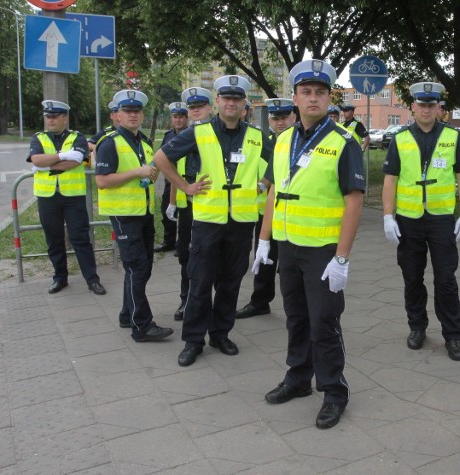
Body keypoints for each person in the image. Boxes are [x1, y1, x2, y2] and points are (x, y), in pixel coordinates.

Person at [254, 59, 364, 429]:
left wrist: (343, 257)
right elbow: (273, 193)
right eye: (306, 92)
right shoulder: (283, 140)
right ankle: (298, 377)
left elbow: (354, 199)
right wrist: (264, 240)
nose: (313, 99)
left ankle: (334, 391)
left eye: (320, 93)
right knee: (296, 318)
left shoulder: (343, 142)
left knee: (324, 322)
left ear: (328, 98)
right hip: (289, 246)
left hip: (323, 251)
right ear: (295, 98)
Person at [154, 75, 273, 367]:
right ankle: (193, 340)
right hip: (207, 220)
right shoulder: (199, 132)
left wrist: (264, 182)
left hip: (242, 221)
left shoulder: (257, 136)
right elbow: (160, 158)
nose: (231, 103)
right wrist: (185, 186)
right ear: (217, 102)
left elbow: (280, 163)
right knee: (200, 281)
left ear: (245, 104)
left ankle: (220, 334)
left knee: (231, 282)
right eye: (226, 98)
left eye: (237, 99)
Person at [382, 82, 460, 361]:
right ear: (413, 107)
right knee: (412, 277)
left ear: (439, 109)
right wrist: (388, 216)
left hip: (441, 219)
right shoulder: (400, 138)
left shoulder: (452, 136)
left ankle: (453, 335)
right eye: (422, 105)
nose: (426, 109)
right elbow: (390, 180)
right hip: (409, 220)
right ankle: (417, 327)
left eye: (432, 105)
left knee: (446, 279)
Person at [94, 89, 174, 342]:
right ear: (117, 115)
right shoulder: (110, 143)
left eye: (136, 111)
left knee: (141, 268)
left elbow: (150, 172)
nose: (132, 115)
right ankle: (142, 326)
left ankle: (127, 314)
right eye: (127, 111)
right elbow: (102, 181)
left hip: (143, 212)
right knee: (138, 268)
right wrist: (136, 173)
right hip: (123, 214)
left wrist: (150, 173)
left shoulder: (144, 142)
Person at [28, 100, 106, 296]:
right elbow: (36, 159)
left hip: (73, 197)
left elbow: (77, 160)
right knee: (54, 240)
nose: (51, 120)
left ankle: (92, 279)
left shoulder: (77, 137)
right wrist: (64, 155)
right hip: (47, 197)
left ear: (65, 118)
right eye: (48, 117)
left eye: (55, 117)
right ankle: (59, 278)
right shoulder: (38, 138)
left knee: (81, 239)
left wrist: (48, 165)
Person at [236, 98, 296, 319]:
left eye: (284, 118)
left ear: (293, 117)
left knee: (293, 265)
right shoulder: (263, 142)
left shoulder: (302, 142)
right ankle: (260, 301)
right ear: (269, 120)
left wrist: (264, 184)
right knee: (264, 260)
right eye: (275, 118)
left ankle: (299, 309)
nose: (280, 123)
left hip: (295, 214)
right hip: (265, 213)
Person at [171, 87, 215, 321]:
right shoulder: (177, 136)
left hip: (209, 202)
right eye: (191, 108)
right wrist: (174, 199)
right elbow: (168, 168)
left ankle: (208, 303)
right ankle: (186, 299)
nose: (195, 111)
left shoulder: (216, 133)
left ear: (210, 107)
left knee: (209, 256)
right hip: (187, 204)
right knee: (186, 255)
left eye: (200, 106)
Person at [154, 102, 189, 253]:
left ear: (186, 119)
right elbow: (161, 156)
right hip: (170, 181)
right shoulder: (168, 135)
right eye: (175, 117)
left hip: (187, 181)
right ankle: (168, 242)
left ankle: (183, 244)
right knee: (166, 212)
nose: (178, 120)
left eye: (181, 117)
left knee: (186, 217)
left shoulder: (191, 134)